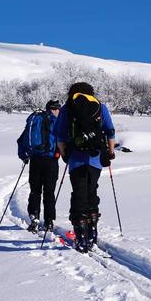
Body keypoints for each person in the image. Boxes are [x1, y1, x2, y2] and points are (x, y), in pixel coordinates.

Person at [55, 81, 116, 252]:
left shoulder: (68, 108)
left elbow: (60, 135)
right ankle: (92, 232)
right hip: (95, 158)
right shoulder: (100, 106)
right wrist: (110, 152)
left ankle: (80, 236)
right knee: (91, 192)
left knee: (79, 194)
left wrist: (65, 154)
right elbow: (110, 131)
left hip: (76, 158)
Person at [17, 99, 61, 232]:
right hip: (51, 161)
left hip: (35, 160)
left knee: (35, 190)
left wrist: (24, 156)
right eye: (58, 109)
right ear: (53, 109)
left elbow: (21, 140)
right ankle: (49, 221)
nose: (59, 111)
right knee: (49, 192)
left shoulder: (34, 120)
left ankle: (34, 216)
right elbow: (62, 140)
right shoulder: (56, 122)